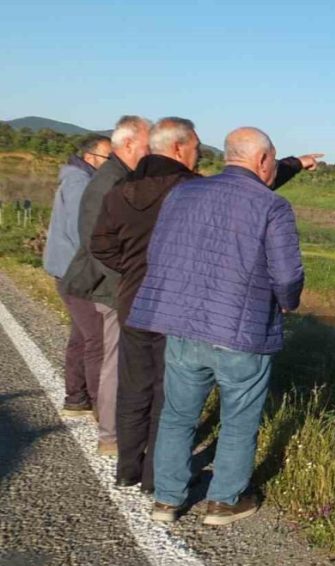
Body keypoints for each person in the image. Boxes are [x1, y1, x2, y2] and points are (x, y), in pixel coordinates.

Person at [90, 117, 321, 493]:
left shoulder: (148, 190)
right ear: (263, 159)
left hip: (160, 311)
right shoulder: (261, 203)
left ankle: (154, 487)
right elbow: (286, 274)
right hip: (231, 326)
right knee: (236, 418)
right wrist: (286, 302)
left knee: (164, 406)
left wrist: (140, 275)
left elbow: (141, 249)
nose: (198, 153)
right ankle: (223, 500)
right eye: (196, 146)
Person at [61, 115, 151, 456]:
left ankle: (110, 425)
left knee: (104, 353)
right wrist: (125, 288)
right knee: (110, 358)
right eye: (146, 145)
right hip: (107, 288)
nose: (150, 151)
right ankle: (110, 434)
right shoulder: (108, 183)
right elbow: (96, 244)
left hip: (109, 285)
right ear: (127, 144)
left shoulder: (120, 177)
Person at [42, 134, 112, 418]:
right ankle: (100, 407)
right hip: (76, 273)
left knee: (81, 337)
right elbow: (84, 233)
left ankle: (76, 397)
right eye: (109, 158)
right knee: (98, 339)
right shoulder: (80, 184)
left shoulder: (78, 180)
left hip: (69, 270)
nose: (112, 164)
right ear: (91, 157)